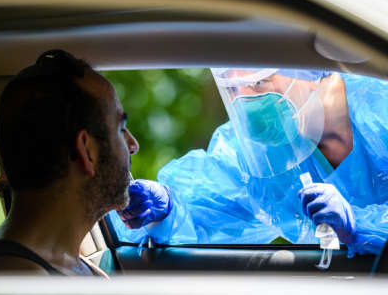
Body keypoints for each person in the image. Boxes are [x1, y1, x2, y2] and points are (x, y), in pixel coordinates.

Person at [115, 68, 388, 257]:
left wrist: (361, 228)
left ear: (310, 71)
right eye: (233, 88)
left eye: (259, 83)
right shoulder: (253, 153)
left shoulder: (380, 106)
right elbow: (210, 219)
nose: (245, 100)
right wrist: (169, 209)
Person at [0, 49, 140, 275]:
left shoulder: (78, 267)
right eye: (120, 129)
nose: (133, 145)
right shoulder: (17, 278)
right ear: (86, 150)